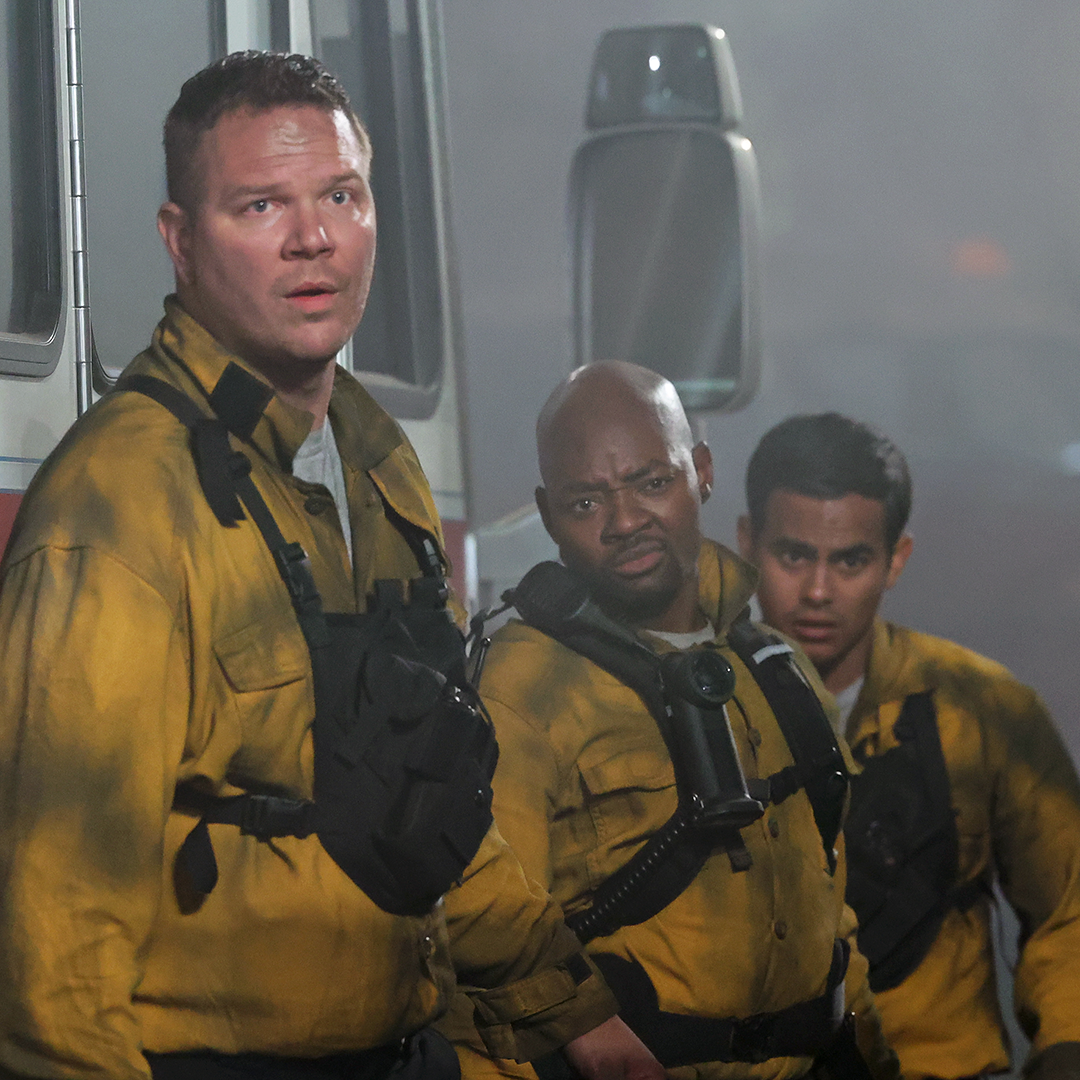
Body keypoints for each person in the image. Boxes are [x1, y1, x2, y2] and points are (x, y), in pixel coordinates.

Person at [0, 53, 664, 1080]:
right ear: (180, 240)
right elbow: (55, 945)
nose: (312, 238)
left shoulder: (376, 465)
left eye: (340, 196)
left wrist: (579, 1016)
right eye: (261, 204)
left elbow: (420, 798)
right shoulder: (117, 508)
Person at [444, 361, 898, 1080]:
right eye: (586, 502)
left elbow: (829, 911)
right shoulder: (524, 687)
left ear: (702, 472)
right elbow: (480, 936)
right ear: (549, 514)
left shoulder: (775, 670)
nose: (625, 522)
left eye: (652, 483)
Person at [738, 412, 1080, 1080]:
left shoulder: (984, 711)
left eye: (850, 561)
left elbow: (1068, 909)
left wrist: (1067, 1050)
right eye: (794, 555)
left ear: (896, 559)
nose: (817, 591)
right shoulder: (695, 707)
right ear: (748, 544)